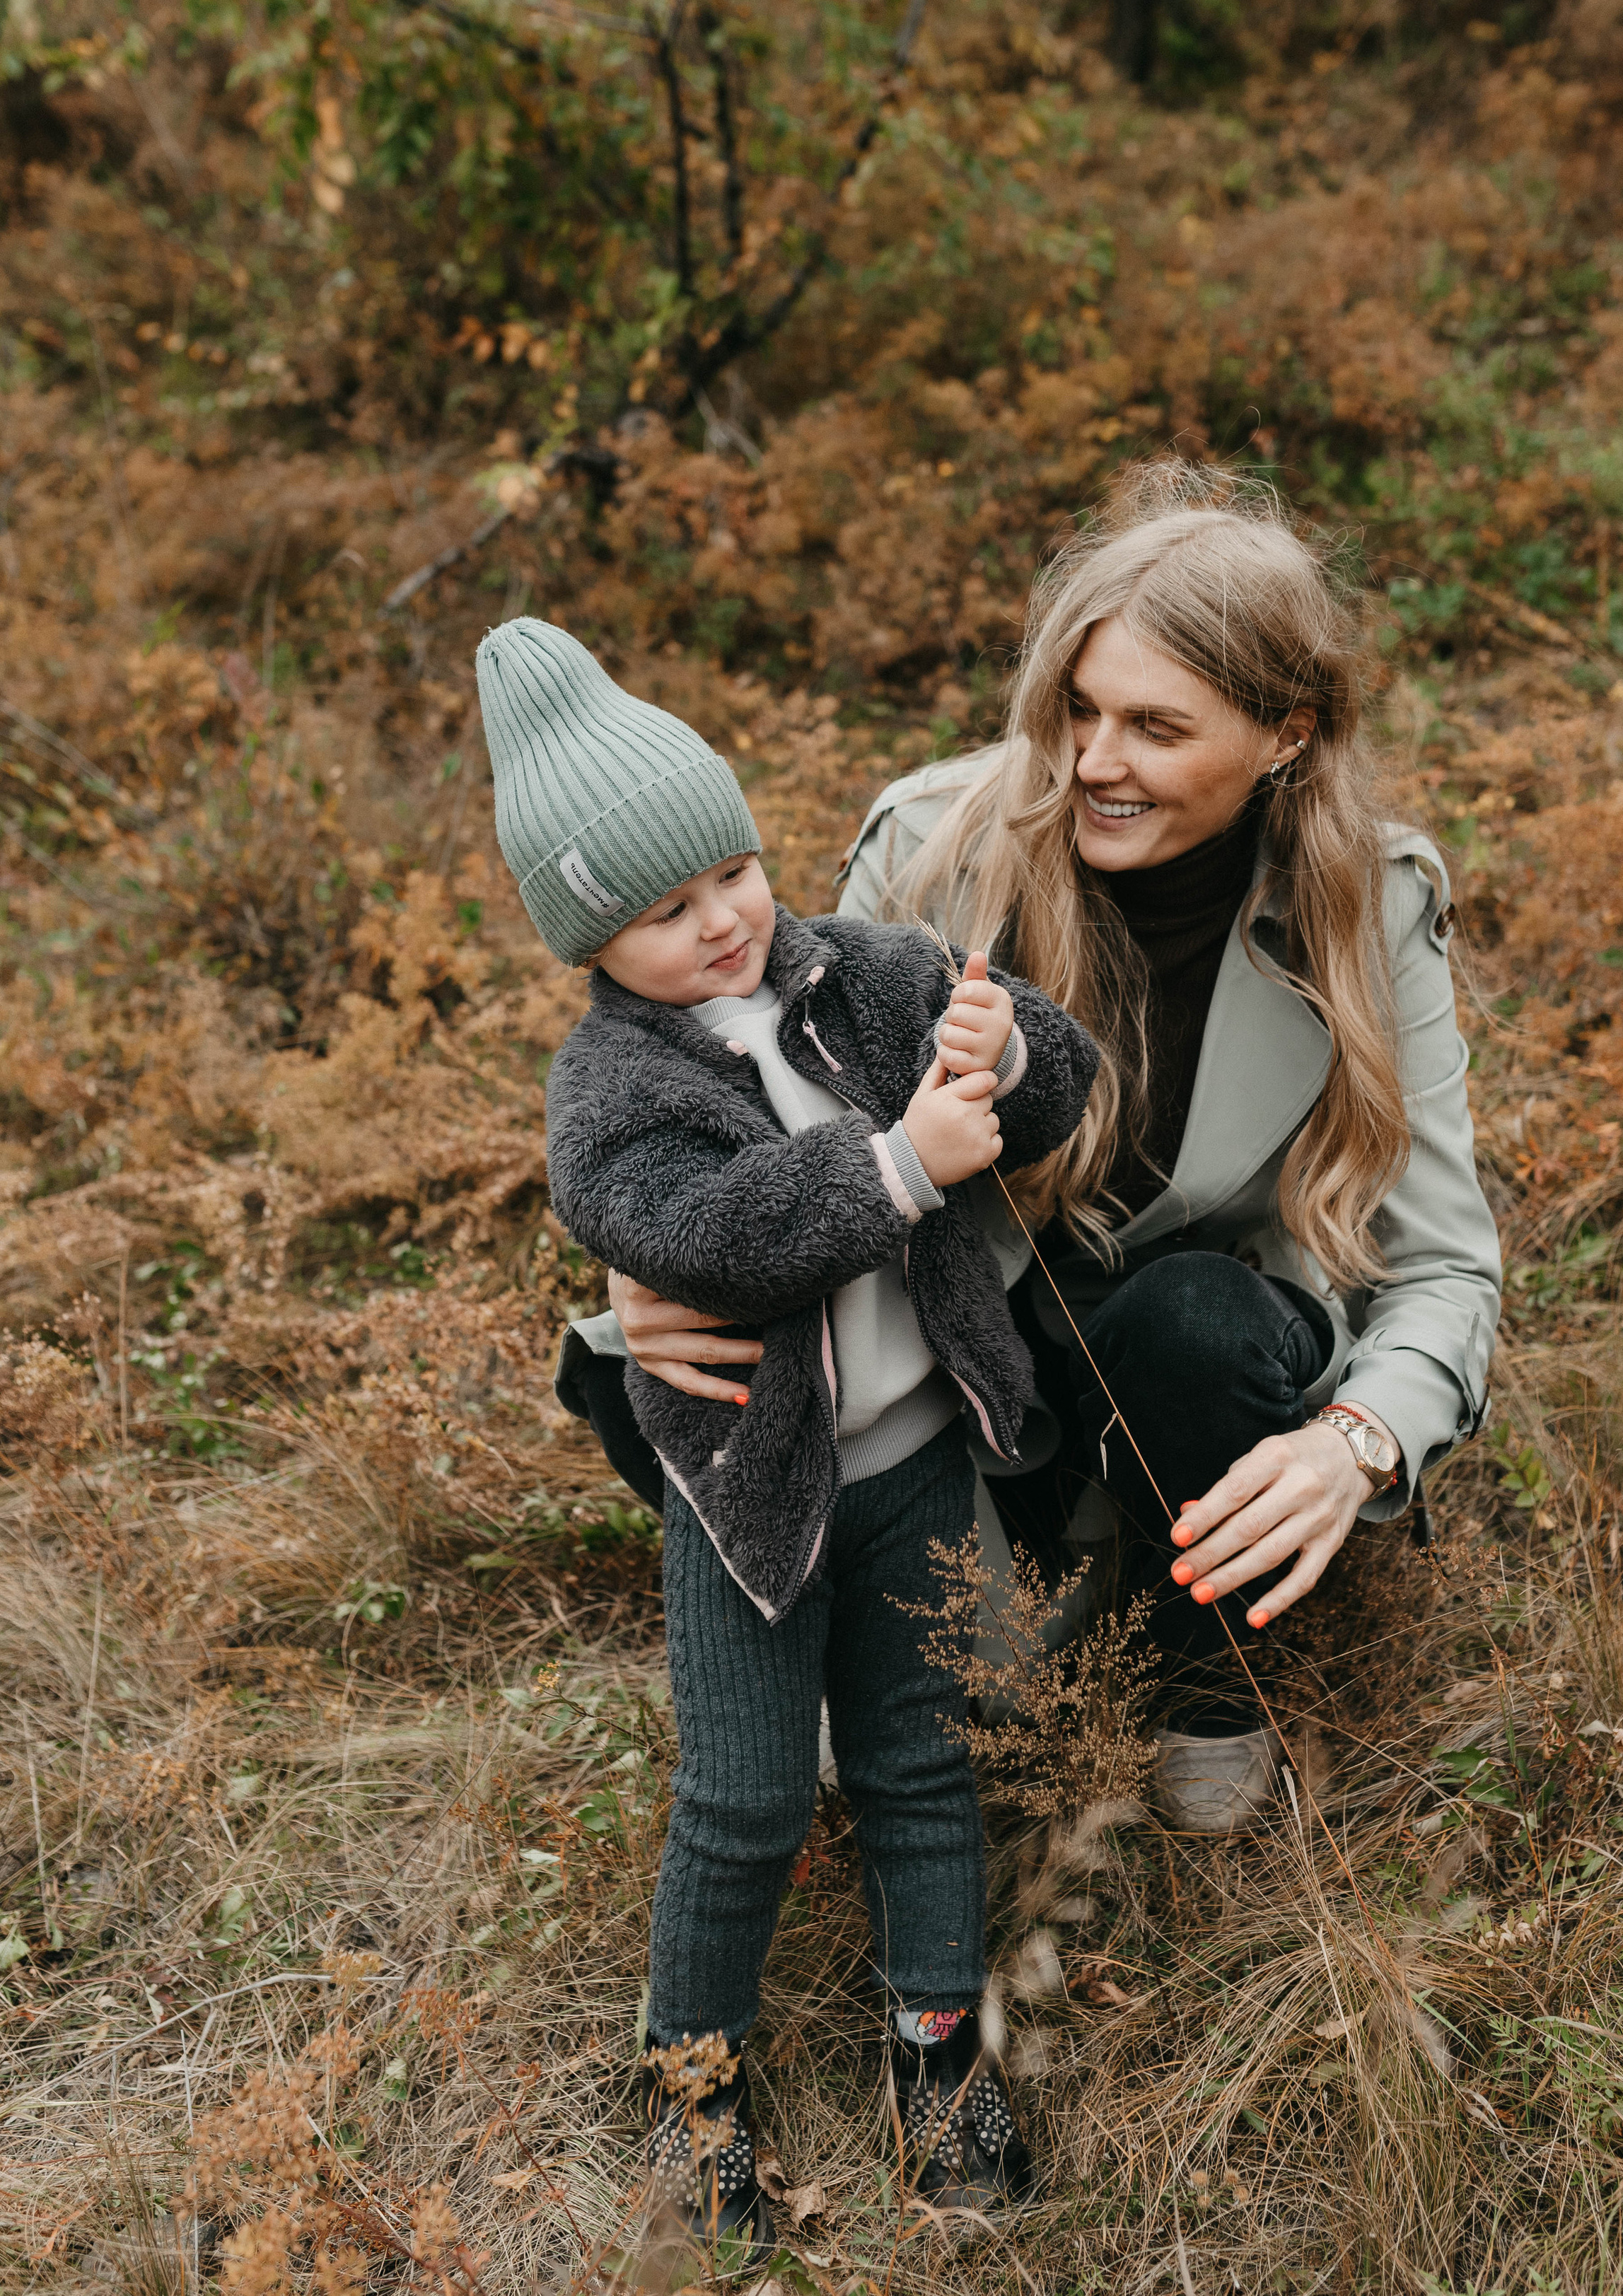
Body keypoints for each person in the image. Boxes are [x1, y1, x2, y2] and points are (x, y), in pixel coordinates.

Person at [605, 465, 1503, 1838]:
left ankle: (1205, 1677)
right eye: (1077, 711)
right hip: (961, 1347)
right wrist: (649, 1260)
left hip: (1187, 1375)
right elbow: (750, 1103)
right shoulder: (933, 848)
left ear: (1285, 733)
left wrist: (1353, 1444)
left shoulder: (1372, 905)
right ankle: (883, 1623)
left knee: (1193, 1322)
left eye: (1153, 726)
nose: (1091, 762)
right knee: (655, 1381)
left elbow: (1443, 1269)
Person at [475, 617, 1099, 2249]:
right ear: (588, 942)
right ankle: (695, 2078)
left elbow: (1054, 1082)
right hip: (749, 1496)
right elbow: (709, 1230)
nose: (724, 922)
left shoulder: (863, 969)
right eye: (665, 911)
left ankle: (937, 2055)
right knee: (744, 1799)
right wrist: (902, 1162)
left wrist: (1004, 1057)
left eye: (734, 872)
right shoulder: (608, 1089)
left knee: (918, 1764)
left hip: (913, 1469)